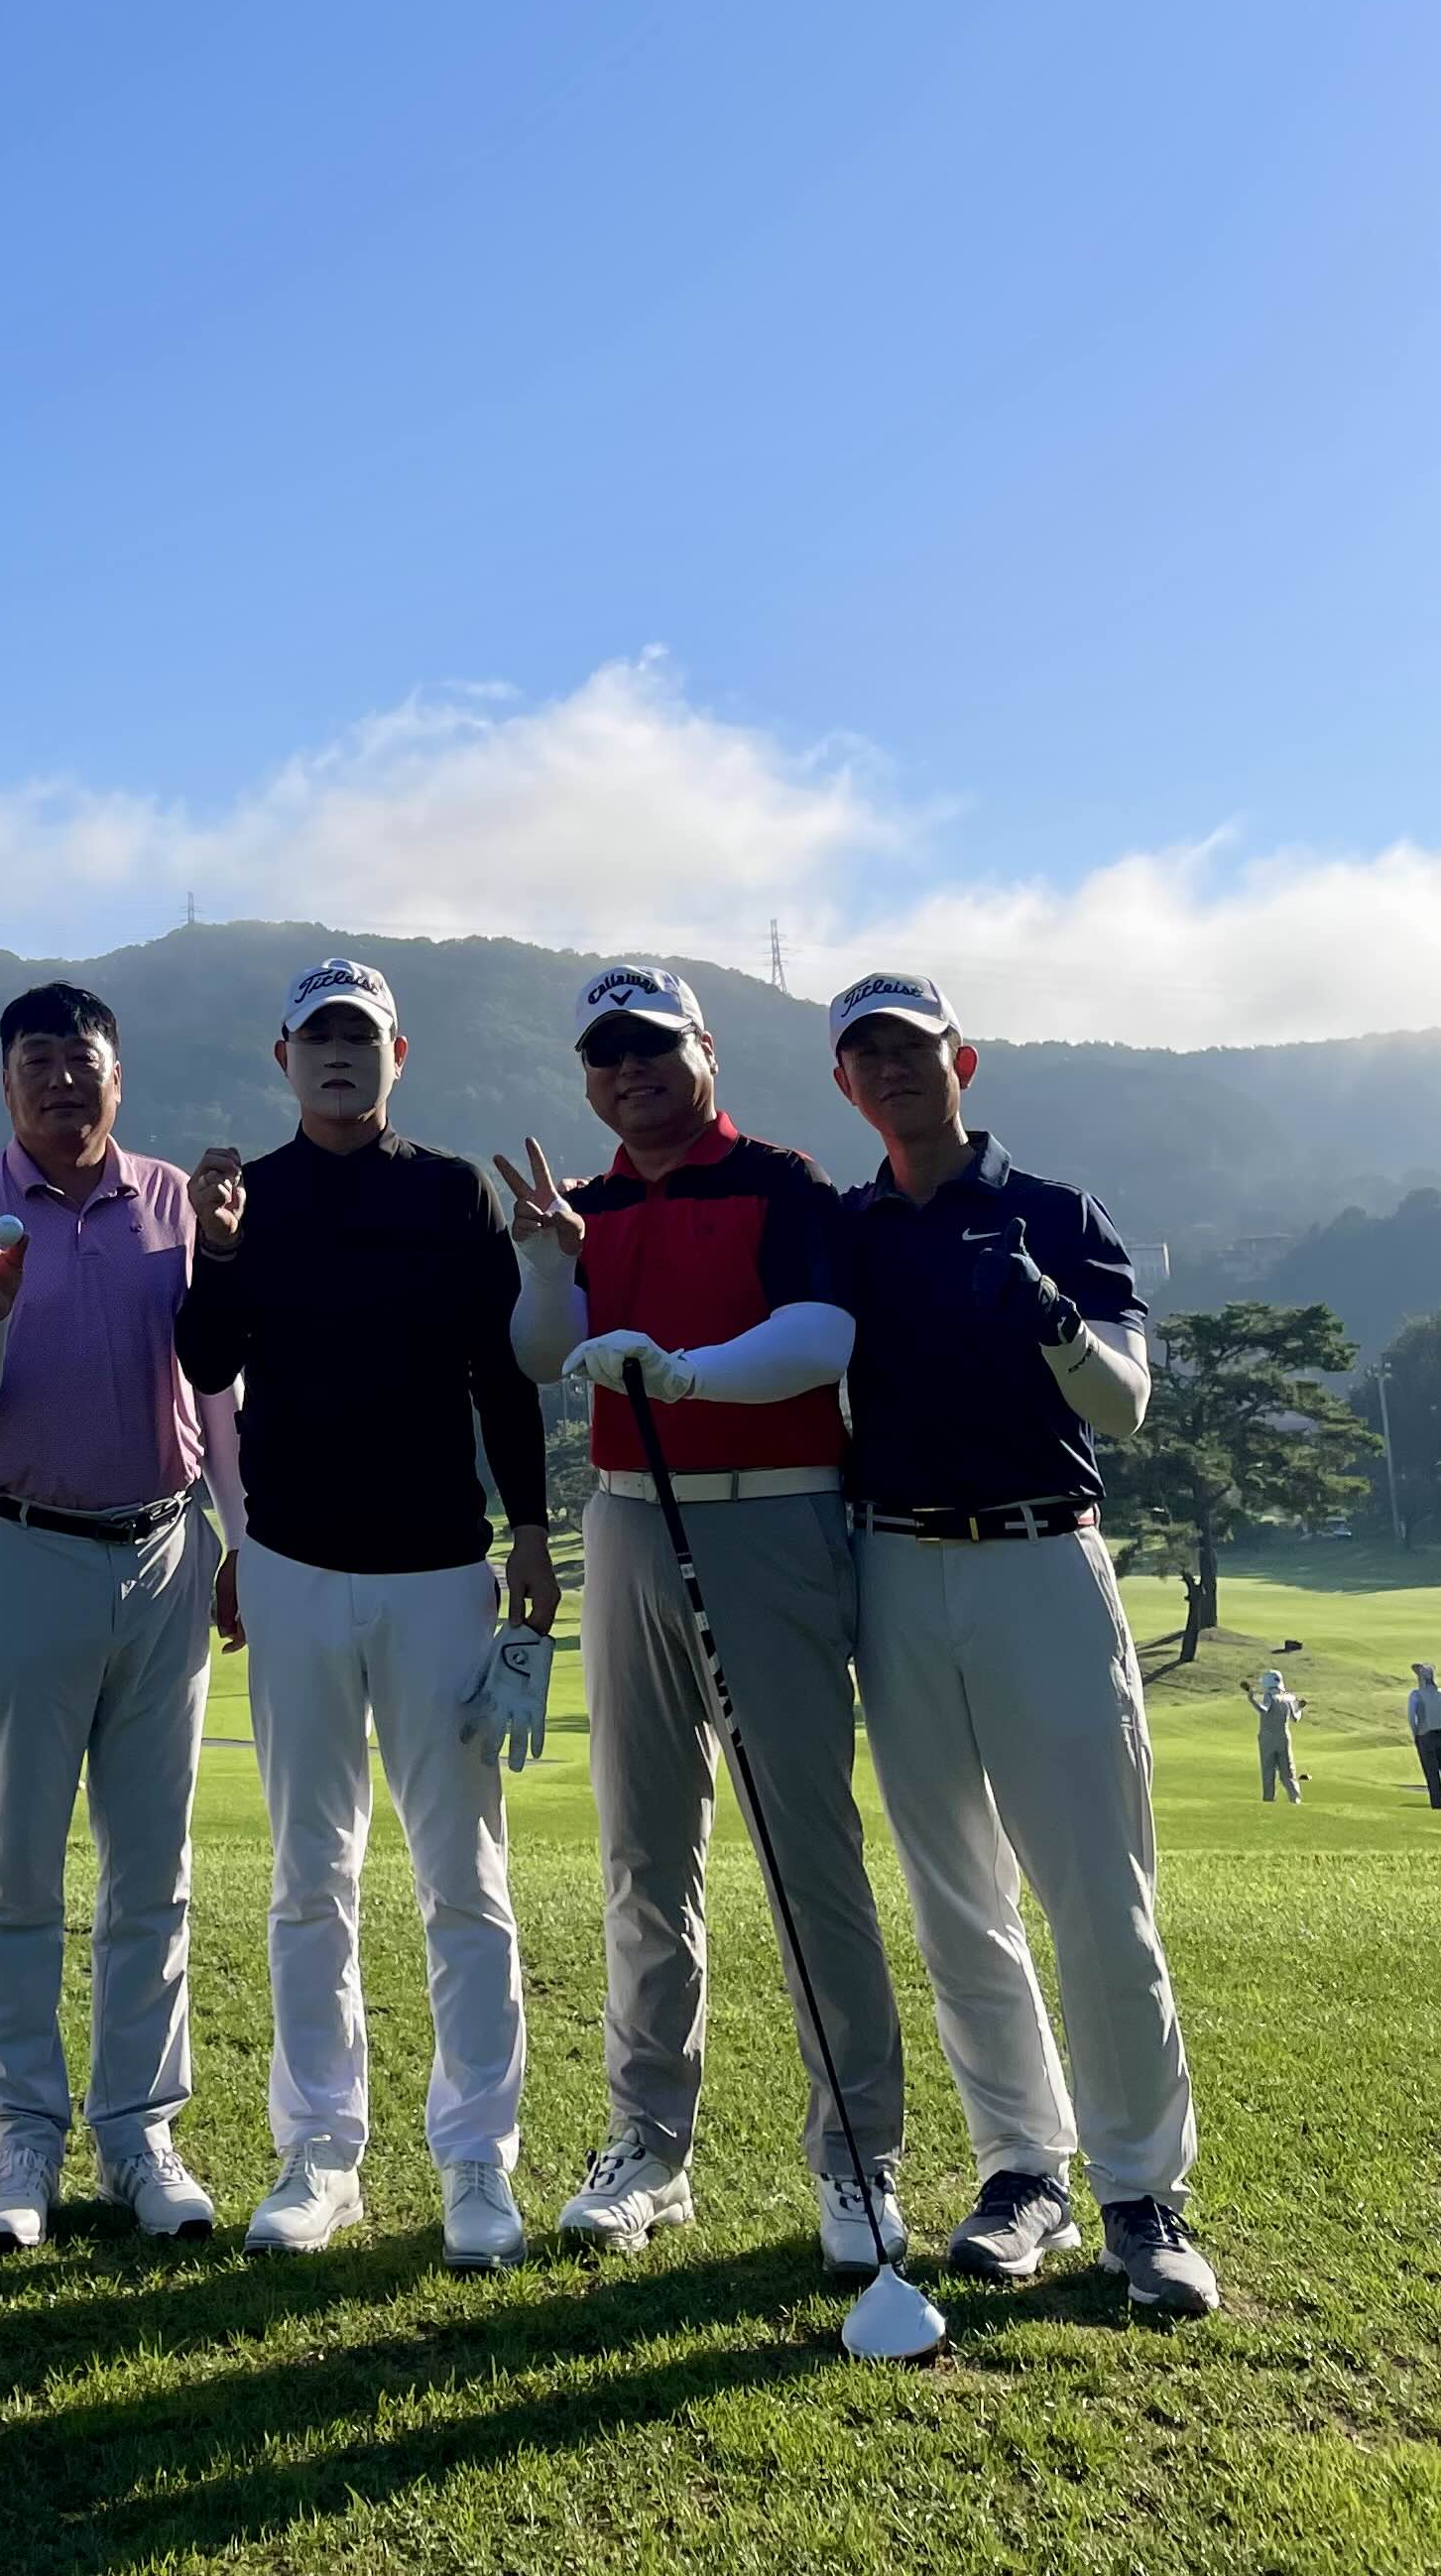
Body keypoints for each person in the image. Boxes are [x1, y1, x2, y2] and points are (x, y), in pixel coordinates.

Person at [502, 964, 906, 2272]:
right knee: (643, 1850)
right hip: (627, 1520)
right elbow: (541, 1354)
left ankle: (857, 2155)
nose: (631, 1072)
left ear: (705, 1051)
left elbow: (822, 1335)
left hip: (775, 1516)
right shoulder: (590, 1205)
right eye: (606, 1056)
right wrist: (547, 1266)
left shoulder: (783, 1184)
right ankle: (648, 2147)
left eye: (653, 1048)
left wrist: (682, 1376)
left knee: (806, 1849)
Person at [831, 968, 1219, 2316]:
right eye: (868, 1055)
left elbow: (1126, 1406)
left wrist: (1052, 1315)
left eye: (913, 1048)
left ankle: (1143, 2194)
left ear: (963, 1061)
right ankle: (1021, 2170)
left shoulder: (1056, 1214)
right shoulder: (847, 1228)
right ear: (845, 1083)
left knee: (1100, 1896)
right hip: (894, 1566)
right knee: (957, 1897)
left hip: (1044, 1558)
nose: (892, 1070)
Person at [180, 958, 558, 2269]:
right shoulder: (249, 1196)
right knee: (309, 1876)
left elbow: (501, 1373)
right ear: (283, 1057)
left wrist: (530, 1526)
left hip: (440, 1570)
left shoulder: (450, 1192)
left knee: (465, 1878)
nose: (339, 1054)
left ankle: (477, 2160)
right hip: (293, 1568)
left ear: (399, 1053)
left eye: (361, 1036)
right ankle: (321, 2153)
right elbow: (207, 1360)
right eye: (317, 1037)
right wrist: (218, 1250)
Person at [0, 980, 243, 2253]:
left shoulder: (173, 1203)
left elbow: (219, 1387)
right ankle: (23, 2134)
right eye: (37, 1061)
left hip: (165, 1546)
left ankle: (140, 2131)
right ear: (5, 1084)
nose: (61, 1079)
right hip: (24, 1548)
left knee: (153, 1866)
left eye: (82, 1058)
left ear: (119, 1075)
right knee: (17, 1868)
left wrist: (242, 1539)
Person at [1245, 1666, 1305, 1804]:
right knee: (1287, 1773)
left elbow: (1263, 1710)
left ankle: (1269, 1800)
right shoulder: (1287, 1698)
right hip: (1284, 1738)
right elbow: (1295, 1718)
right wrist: (1300, 1708)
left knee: (1268, 1771)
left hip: (1268, 1739)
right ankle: (1295, 1799)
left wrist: (1251, 1699)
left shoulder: (1269, 1696)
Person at [1410, 1663, 1441, 1809]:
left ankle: (1437, 1804)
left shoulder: (1416, 1695)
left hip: (1426, 1736)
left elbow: (1412, 1717)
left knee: (1432, 1773)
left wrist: (1416, 1734)